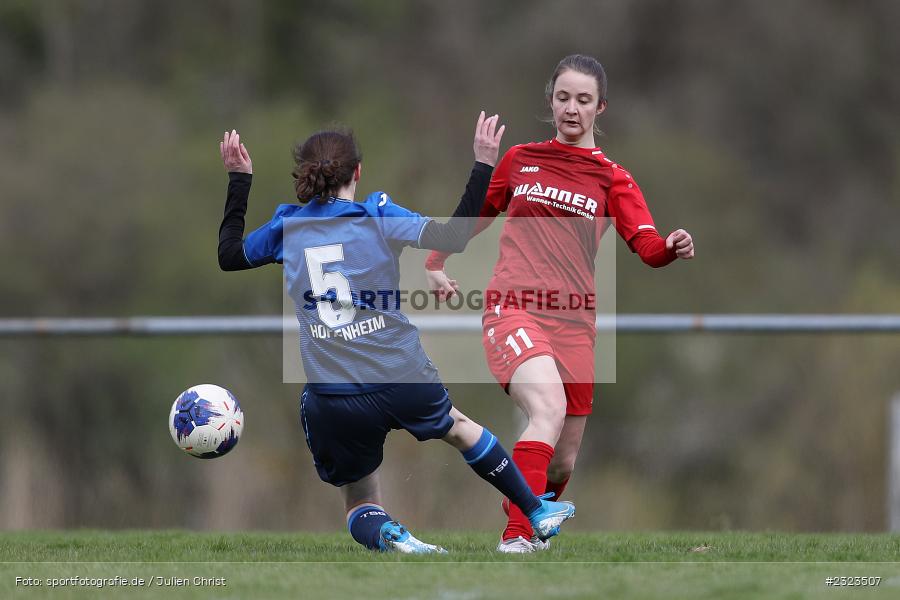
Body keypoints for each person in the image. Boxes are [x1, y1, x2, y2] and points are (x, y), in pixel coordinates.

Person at [216, 113, 575, 554]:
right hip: (403, 376)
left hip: (334, 395)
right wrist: (483, 164)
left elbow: (229, 255)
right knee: (463, 430)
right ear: (357, 173)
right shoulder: (378, 213)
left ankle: (390, 534)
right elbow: (454, 236)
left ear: (305, 177)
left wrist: (240, 180)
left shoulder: (287, 228)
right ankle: (535, 512)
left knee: (359, 498)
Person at [425, 55, 695, 553]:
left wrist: (672, 248)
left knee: (562, 462)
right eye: (564, 98)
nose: (572, 109)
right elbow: (477, 217)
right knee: (546, 408)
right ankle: (518, 537)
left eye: (584, 100)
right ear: (551, 101)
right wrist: (437, 259)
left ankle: (522, 503)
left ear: (600, 108)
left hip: (574, 324)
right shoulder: (521, 159)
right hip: (513, 307)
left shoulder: (613, 178)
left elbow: (647, 246)